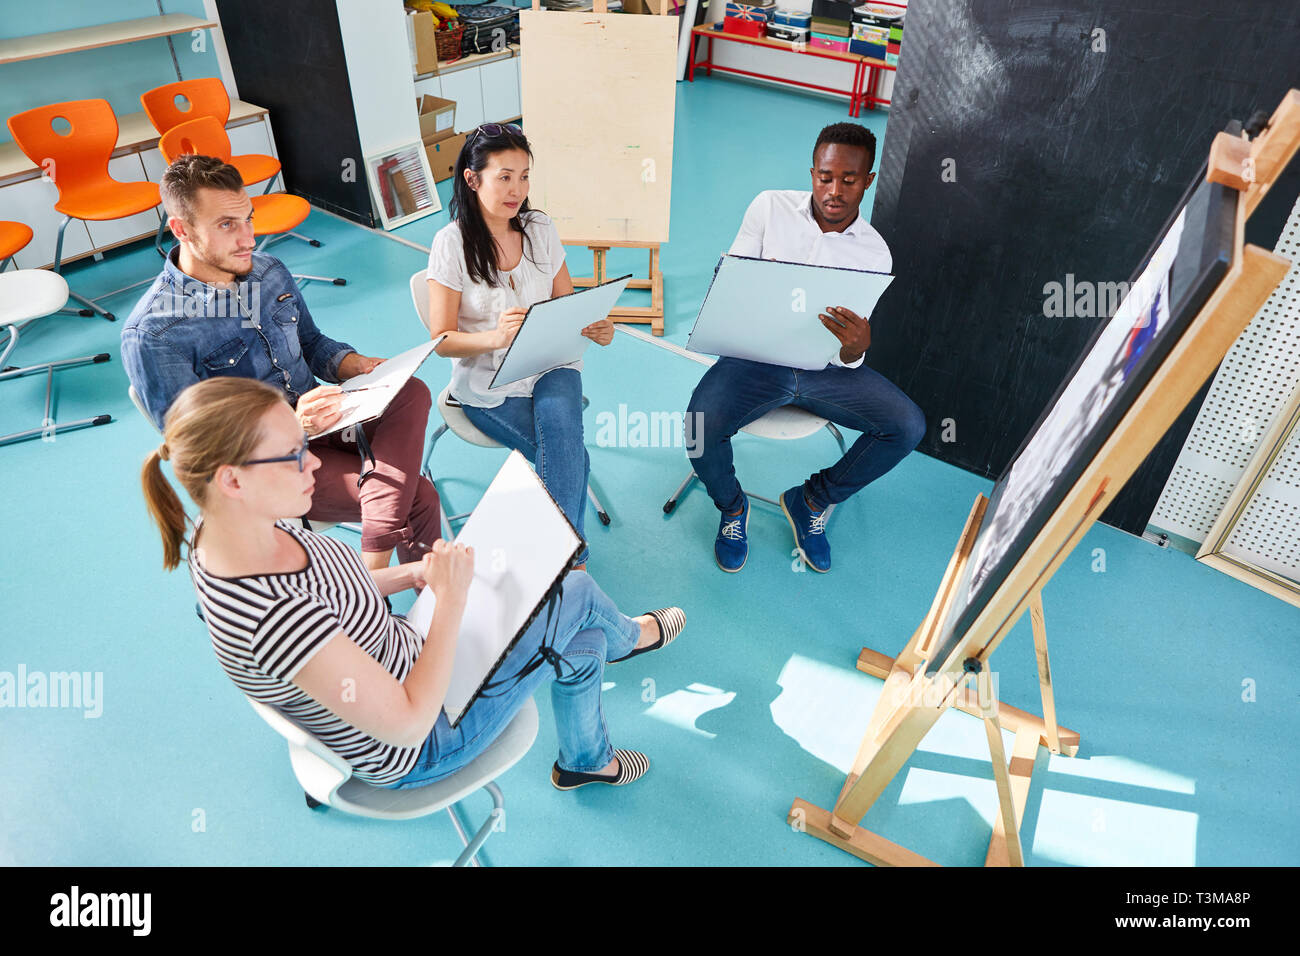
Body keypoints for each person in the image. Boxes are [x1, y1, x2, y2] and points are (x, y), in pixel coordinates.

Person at [140, 377, 686, 790]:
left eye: (306, 443)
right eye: (295, 455)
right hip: (423, 741)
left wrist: (416, 573)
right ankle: (626, 649)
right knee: (577, 596)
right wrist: (447, 602)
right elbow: (406, 723)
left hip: (402, 648)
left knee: (571, 620)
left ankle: (588, 758)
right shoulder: (274, 620)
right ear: (232, 479)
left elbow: (337, 591)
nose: (316, 464)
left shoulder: (232, 530)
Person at [122, 154, 440, 575]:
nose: (248, 238)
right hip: (270, 462)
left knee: (411, 391)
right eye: (226, 225)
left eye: (248, 219)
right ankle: (387, 584)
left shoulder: (268, 271)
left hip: (326, 417)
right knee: (417, 496)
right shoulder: (155, 332)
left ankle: (374, 575)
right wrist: (294, 424)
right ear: (182, 229)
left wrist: (355, 364)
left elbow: (311, 344)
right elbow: (198, 451)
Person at [685, 123, 927, 574]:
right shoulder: (768, 208)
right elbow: (728, 279)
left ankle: (812, 499)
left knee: (907, 426)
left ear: (868, 180)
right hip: (755, 358)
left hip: (825, 370)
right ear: (813, 171)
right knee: (699, 428)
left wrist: (857, 350)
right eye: (824, 177)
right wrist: (734, 286)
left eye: (849, 181)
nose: (834, 190)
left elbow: (847, 356)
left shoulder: (875, 254)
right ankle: (733, 508)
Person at [425, 123, 614, 568]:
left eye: (525, 176)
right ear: (473, 179)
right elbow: (441, 341)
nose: (518, 190)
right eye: (504, 176)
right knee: (568, 454)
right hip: (488, 385)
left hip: (552, 363)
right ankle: (572, 561)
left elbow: (565, 304)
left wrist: (593, 325)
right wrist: (496, 337)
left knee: (563, 447)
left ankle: (563, 564)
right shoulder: (449, 245)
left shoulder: (539, 226)